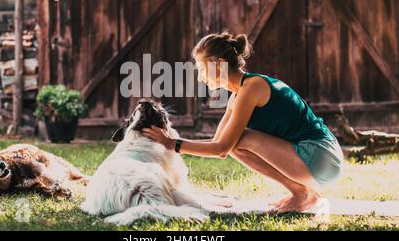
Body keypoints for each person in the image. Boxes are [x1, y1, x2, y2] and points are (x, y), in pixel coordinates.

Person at [142, 32, 344, 213]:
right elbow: (218, 143)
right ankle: (302, 193)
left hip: (320, 156)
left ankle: (302, 194)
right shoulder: (237, 96)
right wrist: (173, 142)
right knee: (235, 143)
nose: (201, 78)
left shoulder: (252, 87)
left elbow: (221, 148)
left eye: (202, 70)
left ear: (219, 65)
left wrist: (173, 145)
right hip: (316, 158)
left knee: (240, 139)